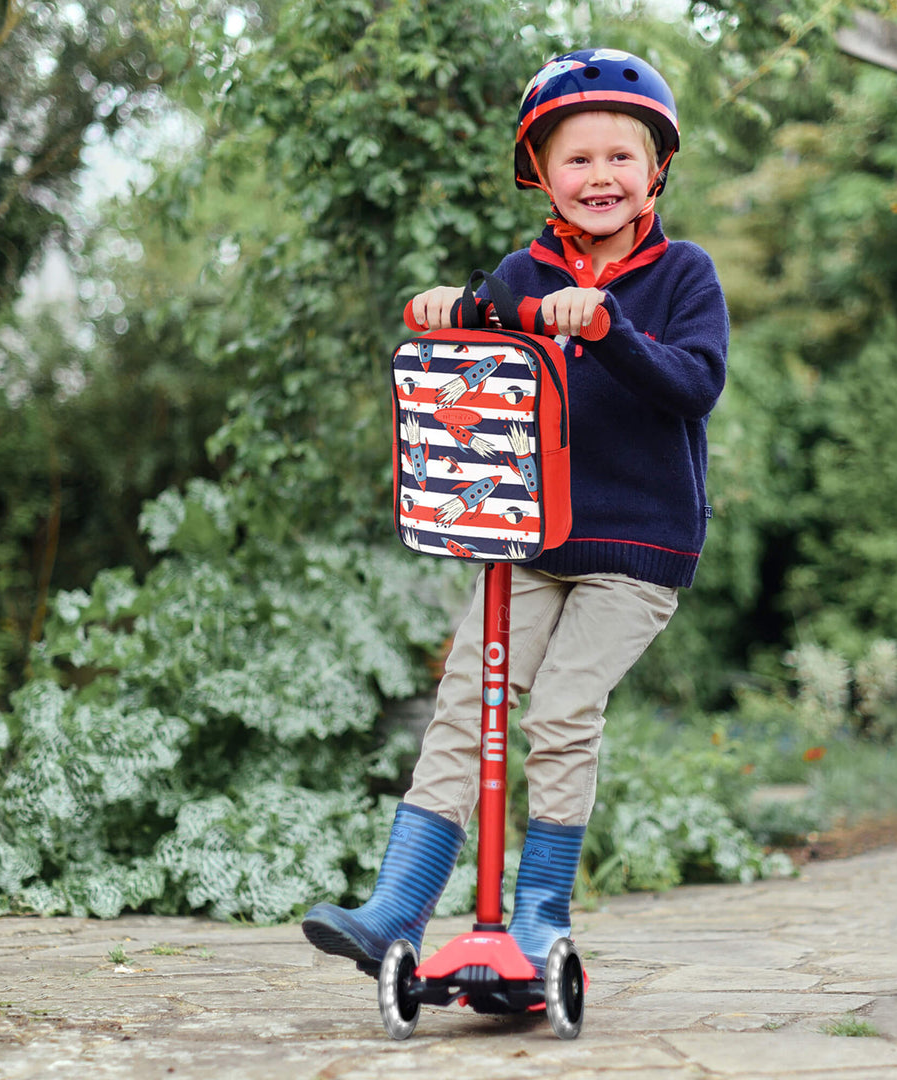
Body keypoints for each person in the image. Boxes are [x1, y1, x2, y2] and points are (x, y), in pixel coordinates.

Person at [302, 47, 729, 978]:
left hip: (637, 545)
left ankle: (538, 918)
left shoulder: (683, 275)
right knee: (466, 702)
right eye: (577, 159)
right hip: (530, 538)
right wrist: (450, 311)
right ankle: (397, 912)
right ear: (541, 172)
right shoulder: (521, 272)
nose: (600, 177)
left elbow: (696, 385)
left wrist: (610, 327)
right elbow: (485, 342)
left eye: (622, 157)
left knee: (564, 712)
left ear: (657, 169)